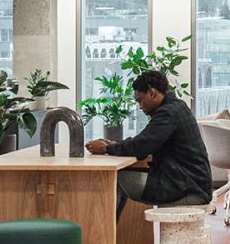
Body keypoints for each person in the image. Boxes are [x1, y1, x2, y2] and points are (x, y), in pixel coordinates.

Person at [87, 70, 213, 215]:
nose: (140, 106)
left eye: (140, 100)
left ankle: (105, 236)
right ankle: (112, 235)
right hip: (190, 182)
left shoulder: (167, 113)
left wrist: (106, 148)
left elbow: (141, 146)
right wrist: (113, 144)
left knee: (114, 181)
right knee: (123, 175)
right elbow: (145, 140)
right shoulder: (176, 106)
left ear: (152, 93)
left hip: (189, 188)